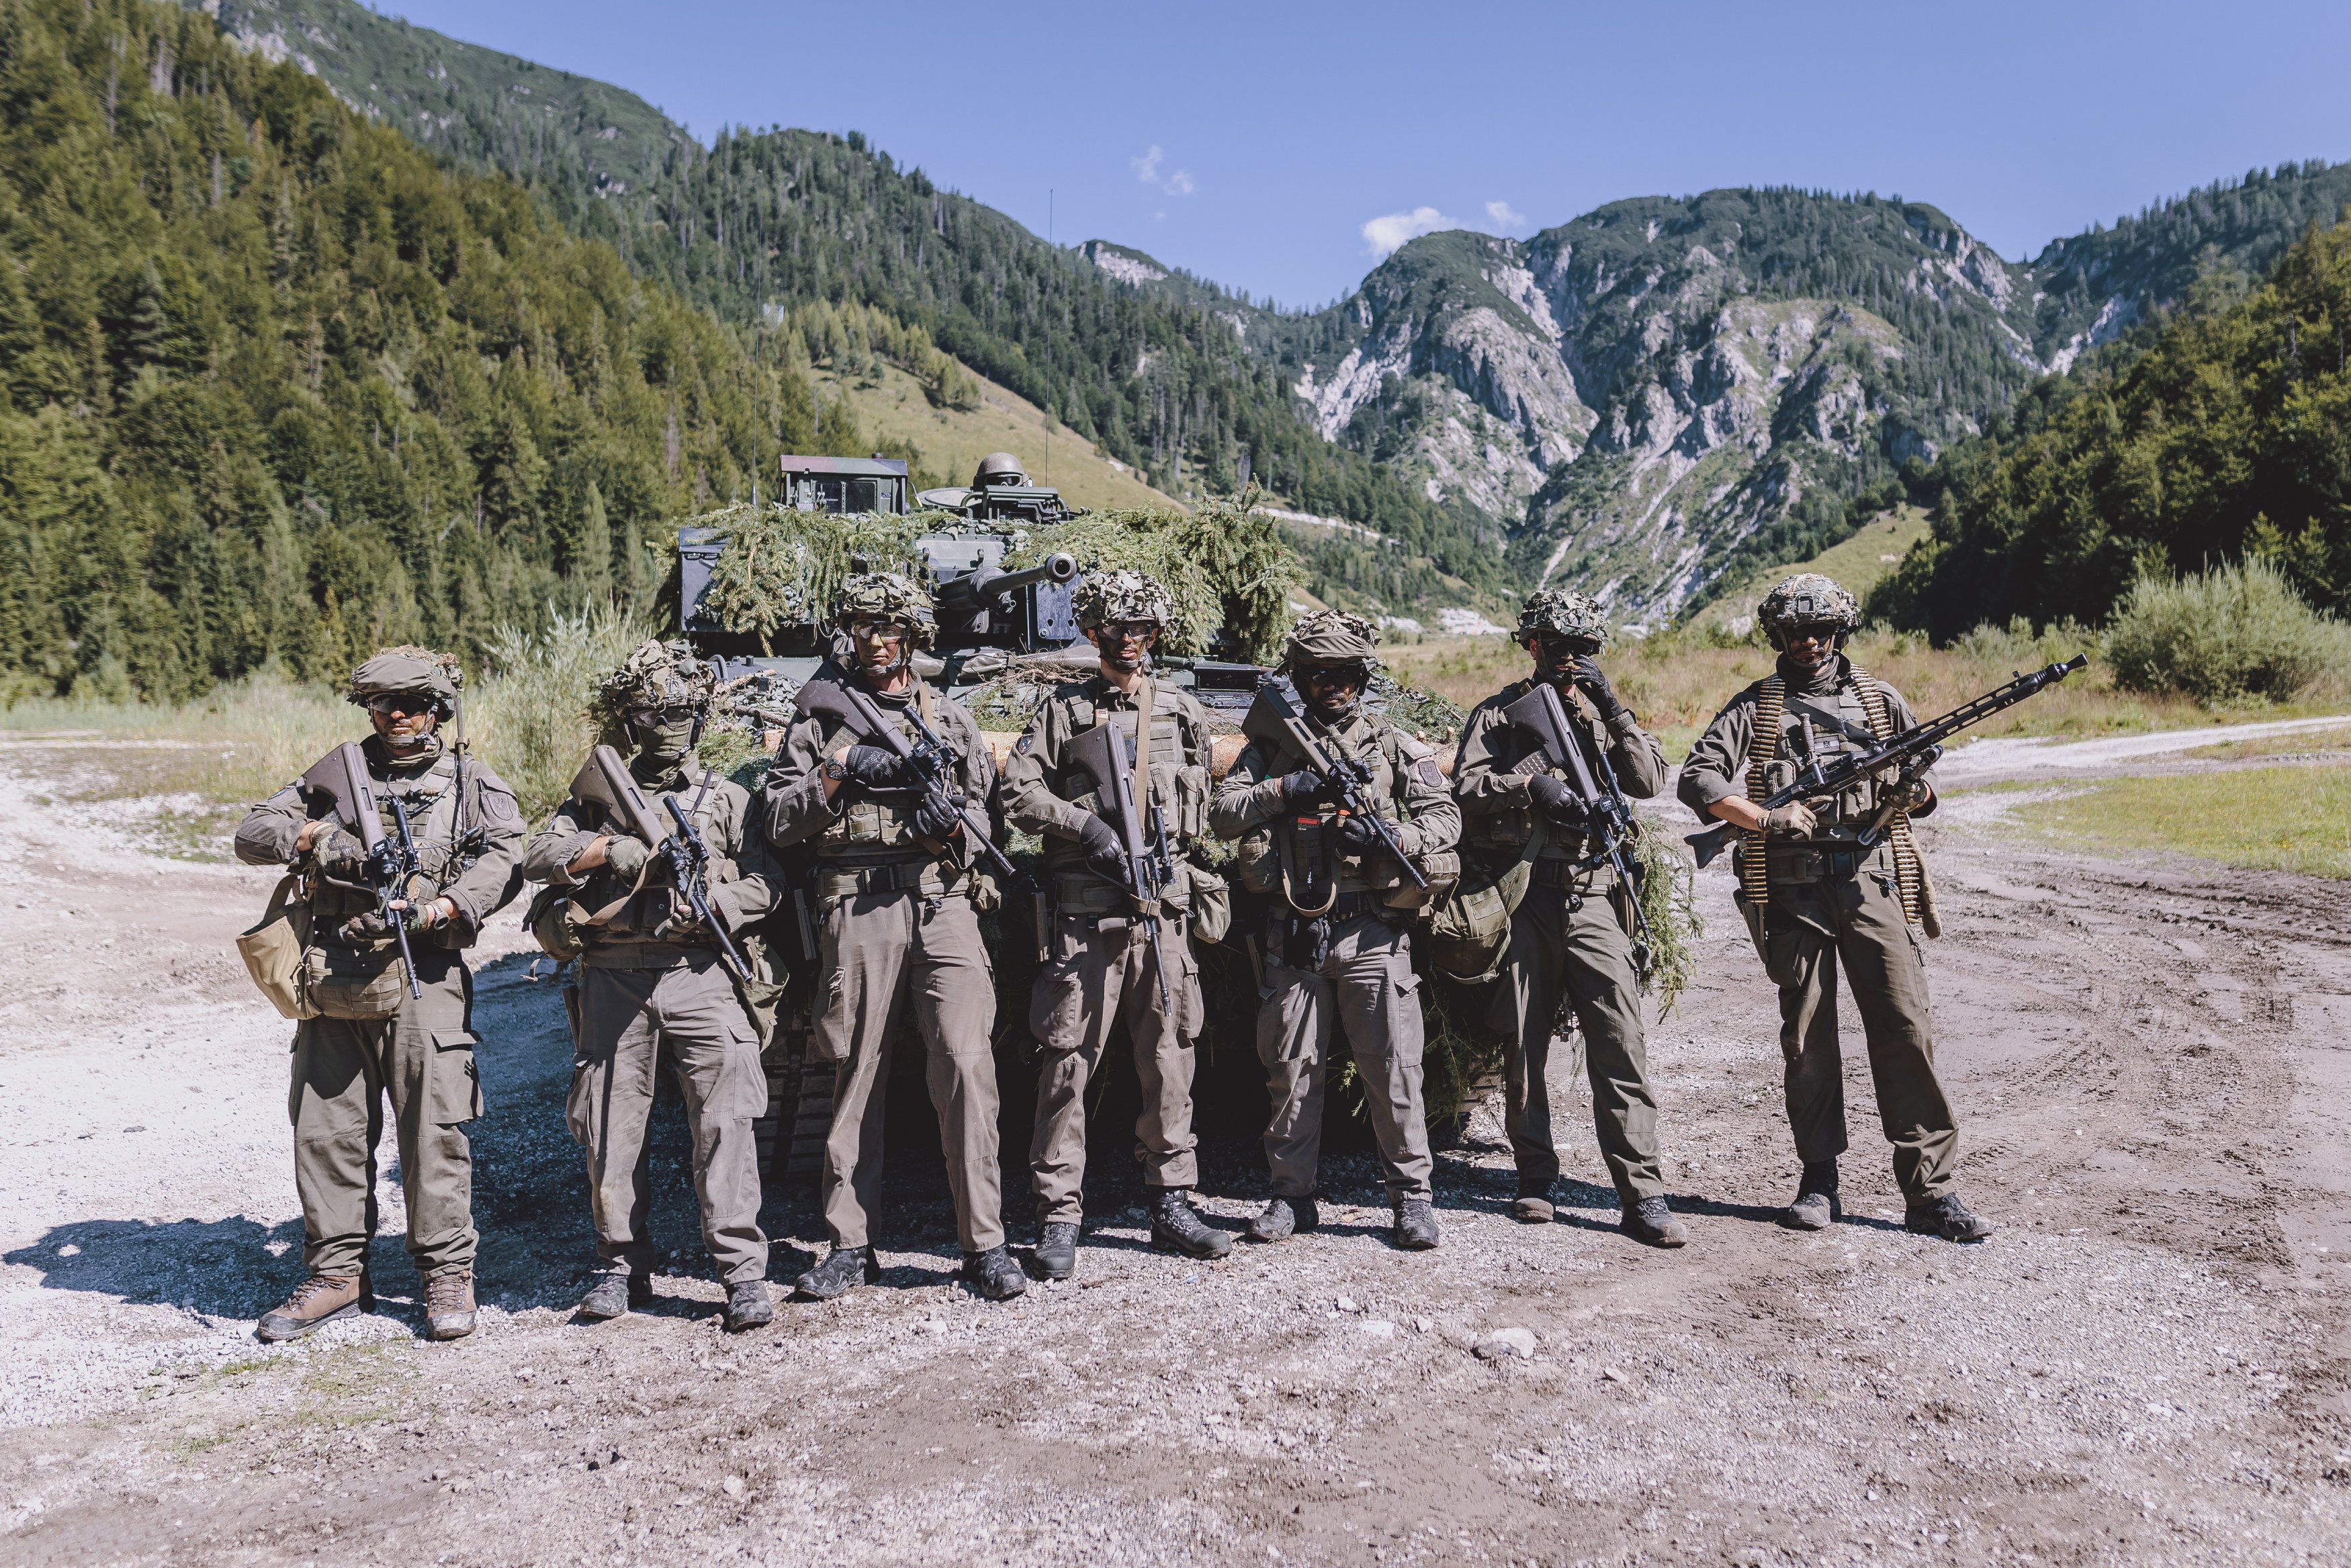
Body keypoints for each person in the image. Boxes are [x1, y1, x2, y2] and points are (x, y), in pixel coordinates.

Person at [1679, 573, 1994, 1243]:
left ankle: (1930, 1191)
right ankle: (1818, 1180)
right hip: (1795, 891)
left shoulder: (1878, 701)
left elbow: (1925, 779)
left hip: (1871, 882)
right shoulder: (1756, 708)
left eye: (1819, 630)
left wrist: (1914, 795)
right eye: (1794, 632)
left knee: (1905, 1027)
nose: (1808, 642)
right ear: (1777, 635)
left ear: (1839, 631)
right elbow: (1697, 779)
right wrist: (1766, 817)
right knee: (1807, 1040)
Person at [234, 647, 525, 1342]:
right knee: (325, 1130)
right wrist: (318, 837)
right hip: (333, 973)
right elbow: (252, 832)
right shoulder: (338, 775)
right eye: (382, 704)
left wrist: (441, 907)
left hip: (423, 973)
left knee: (433, 1130)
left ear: (438, 709)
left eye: (412, 703)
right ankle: (337, 1275)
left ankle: (446, 1271)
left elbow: (506, 859)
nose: (396, 715)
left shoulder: (471, 782)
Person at [763, 573, 1027, 1301]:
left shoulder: (950, 721)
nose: (875, 640)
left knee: (967, 1067)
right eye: (863, 627)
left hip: (942, 901)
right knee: (856, 1072)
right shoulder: (820, 718)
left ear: (914, 635)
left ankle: (985, 1243)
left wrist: (951, 827)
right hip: (858, 907)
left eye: (890, 628)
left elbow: (986, 820)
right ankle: (850, 1244)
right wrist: (841, 769)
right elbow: (778, 820)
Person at [523, 641, 782, 1333]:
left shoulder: (727, 798)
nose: (667, 725)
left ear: (700, 717)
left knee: (726, 1123)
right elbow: (537, 855)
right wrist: (609, 849)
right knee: (609, 1126)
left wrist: (717, 902)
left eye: (680, 712)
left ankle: (741, 1272)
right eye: (651, 713)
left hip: (701, 973)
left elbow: (769, 883)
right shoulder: (596, 796)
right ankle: (620, 1266)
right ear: (629, 719)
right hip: (614, 977)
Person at [1002, 569, 1229, 1279]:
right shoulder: (1063, 711)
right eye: (1117, 627)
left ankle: (1172, 1200)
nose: (1130, 639)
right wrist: (1085, 828)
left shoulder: (1182, 711)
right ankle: (1058, 1214)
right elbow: (1017, 792)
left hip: (1161, 916)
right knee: (1067, 1063)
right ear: (1093, 630)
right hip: (1086, 921)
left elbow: (1200, 807)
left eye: (1143, 627)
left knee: (1170, 1059)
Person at [1210, 610, 1460, 1250]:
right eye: (1319, 674)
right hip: (1295, 930)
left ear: (1362, 678)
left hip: (1371, 928)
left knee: (1394, 1069)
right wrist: (1285, 788)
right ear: (1300, 678)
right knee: (1291, 1071)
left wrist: (1390, 835)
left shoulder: (1390, 743)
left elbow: (1446, 818)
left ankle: (1412, 1198)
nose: (1334, 686)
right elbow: (1223, 813)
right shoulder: (1271, 747)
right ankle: (1292, 1196)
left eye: (1346, 674)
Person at [1450, 590, 1684, 1246]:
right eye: (1557, 646)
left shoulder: (1604, 717)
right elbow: (1465, 787)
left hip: (1595, 894)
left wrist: (1612, 707)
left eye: (1582, 649)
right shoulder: (1499, 715)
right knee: (1523, 1045)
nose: (1570, 659)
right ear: (1532, 645)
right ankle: (1534, 1177)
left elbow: (1647, 781)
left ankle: (1642, 1193)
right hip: (1527, 896)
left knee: (1619, 1042)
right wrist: (1530, 786)